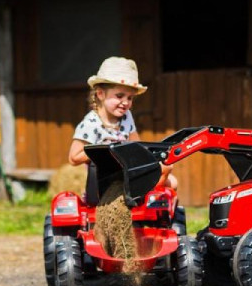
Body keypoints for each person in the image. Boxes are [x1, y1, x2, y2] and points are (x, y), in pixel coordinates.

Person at [68, 56, 176, 191]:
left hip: (127, 172)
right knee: (162, 176)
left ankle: (159, 203)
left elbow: (137, 146)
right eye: (119, 96)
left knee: (171, 179)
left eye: (130, 98)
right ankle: (145, 192)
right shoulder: (91, 124)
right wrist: (105, 150)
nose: (126, 102)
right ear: (101, 94)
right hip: (104, 180)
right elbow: (73, 158)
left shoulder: (126, 117)